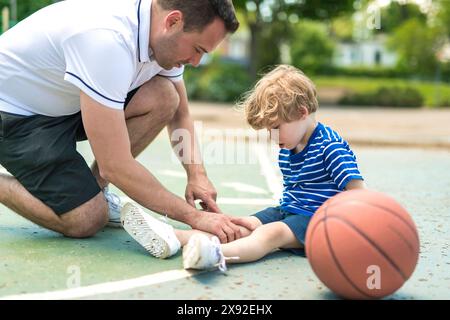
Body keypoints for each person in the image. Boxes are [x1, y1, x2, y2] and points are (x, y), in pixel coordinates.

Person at [0, 0, 253, 246]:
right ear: (173, 21)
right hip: (15, 115)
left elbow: (180, 114)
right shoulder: (107, 39)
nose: (196, 62)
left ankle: (94, 190)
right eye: (198, 49)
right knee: (86, 218)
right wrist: (195, 217)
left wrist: (197, 175)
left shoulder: (160, 37)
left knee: (165, 96)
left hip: (63, 101)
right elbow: (115, 165)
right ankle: (82, 202)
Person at [120, 65, 367, 266]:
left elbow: (360, 196)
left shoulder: (330, 147)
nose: (272, 137)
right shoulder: (288, 146)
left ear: (302, 113)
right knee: (239, 226)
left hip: (319, 221)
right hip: (289, 211)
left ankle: (216, 256)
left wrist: (350, 236)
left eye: (276, 128)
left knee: (270, 235)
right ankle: (173, 237)